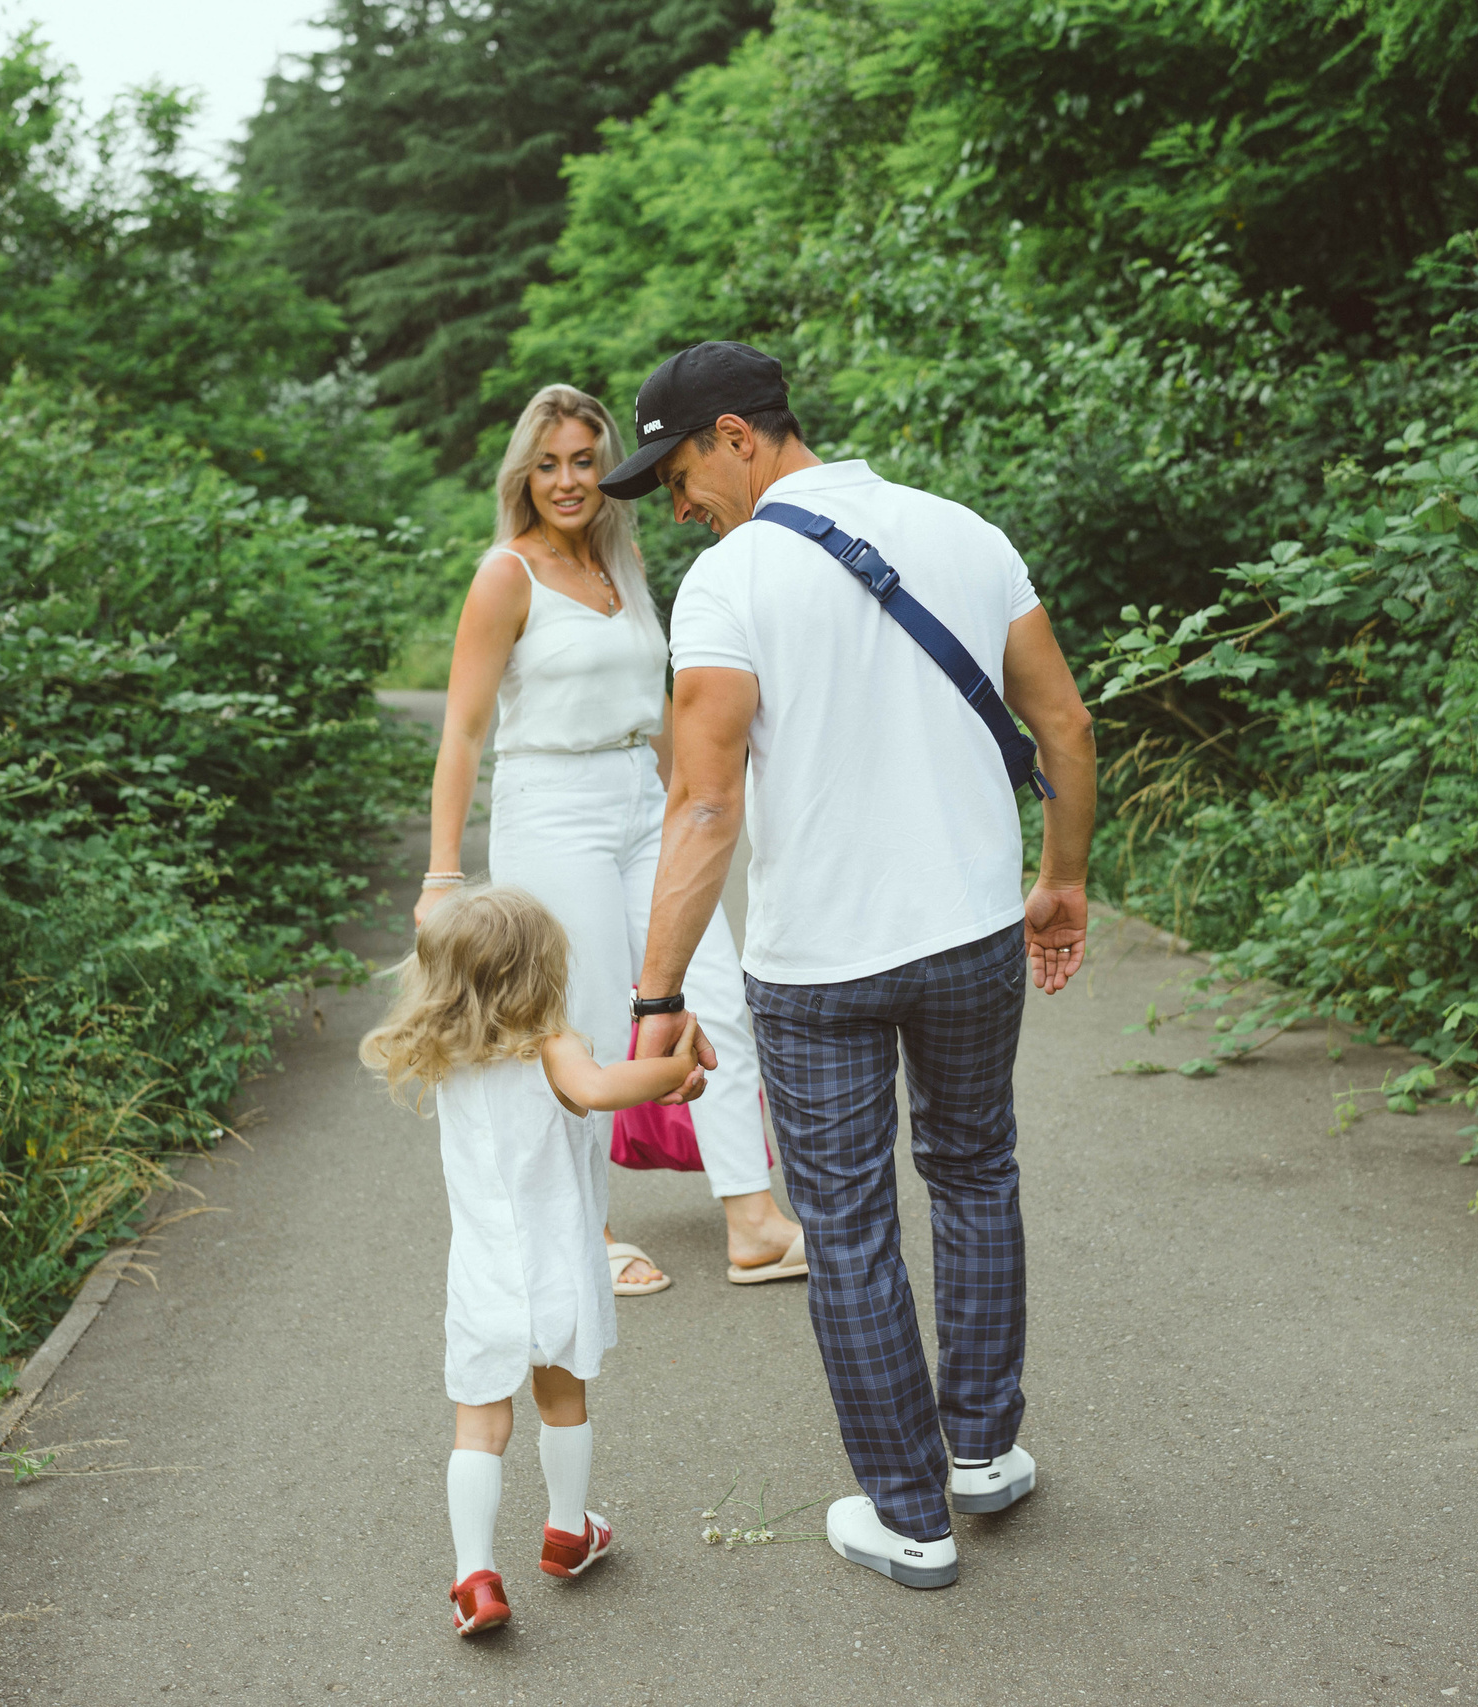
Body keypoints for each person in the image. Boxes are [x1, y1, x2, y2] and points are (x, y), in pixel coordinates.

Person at [600, 341, 1099, 1590]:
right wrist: (1064, 879)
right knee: (976, 1169)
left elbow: (702, 810)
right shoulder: (963, 533)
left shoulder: (730, 583)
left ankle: (910, 1517)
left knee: (851, 1225)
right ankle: (981, 1456)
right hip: (974, 934)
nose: (678, 505)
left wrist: (657, 998)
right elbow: (1067, 724)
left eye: (676, 474)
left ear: (734, 434)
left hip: (817, 965)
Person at [417, 382, 806, 1295]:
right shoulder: (504, 574)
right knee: (582, 1018)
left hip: (641, 798)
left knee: (714, 989)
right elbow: (463, 733)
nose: (568, 480)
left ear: (606, 468)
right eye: (548, 463)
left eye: (585, 460)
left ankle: (751, 1218)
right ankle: (579, 1230)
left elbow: (663, 707)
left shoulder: (623, 569)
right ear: (525, 471)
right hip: (550, 805)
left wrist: (693, 803)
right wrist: (442, 874)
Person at [358, 885, 703, 1637]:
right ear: (540, 973)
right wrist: (672, 1069)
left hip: (481, 1277)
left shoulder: (447, 1058)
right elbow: (603, 1089)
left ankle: (473, 1575)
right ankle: (567, 1529)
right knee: (561, 1403)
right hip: (555, 1272)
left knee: (478, 1427)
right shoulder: (553, 1045)